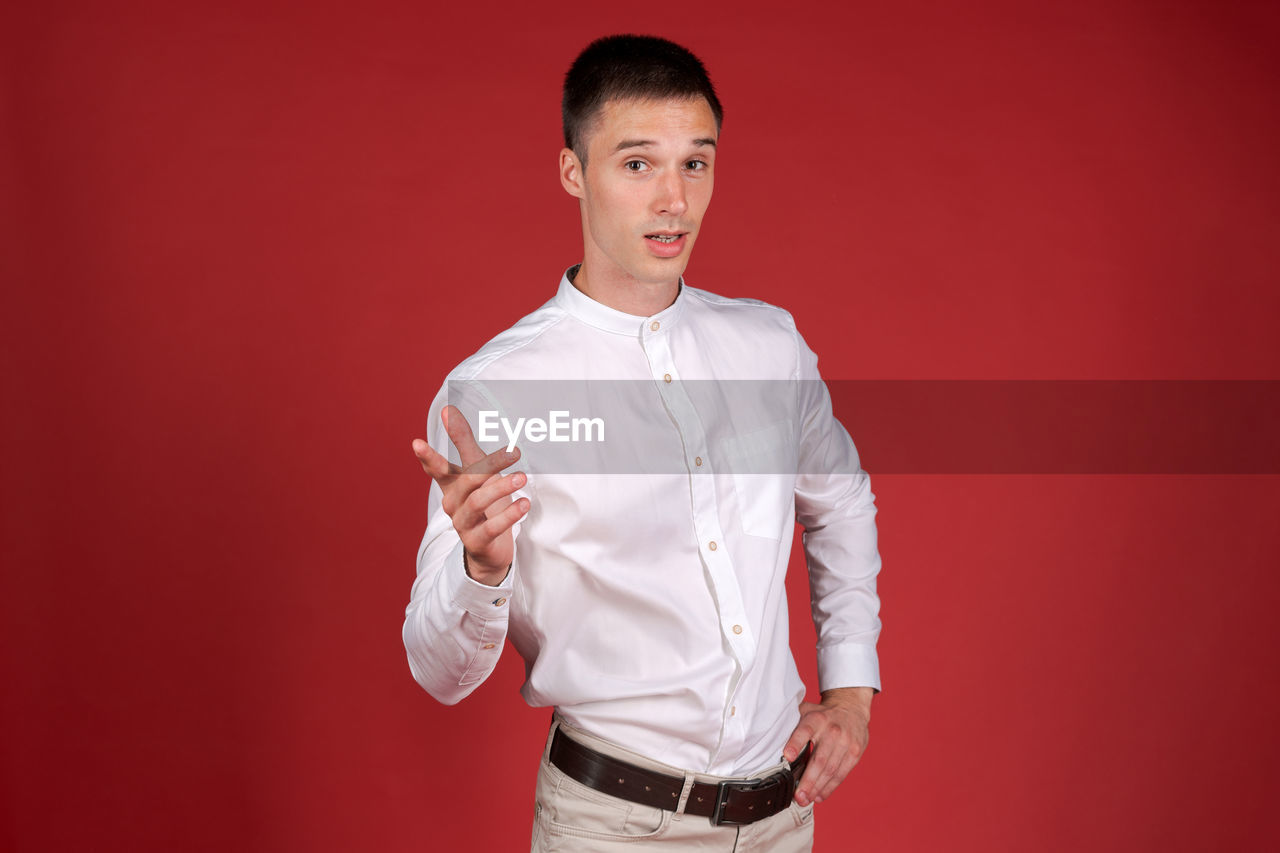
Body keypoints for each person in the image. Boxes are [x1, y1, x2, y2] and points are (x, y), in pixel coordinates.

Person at [403, 34, 882, 851]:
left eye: (695, 163)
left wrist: (851, 690)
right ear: (572, 172)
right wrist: (482, 570)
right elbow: (437, 671)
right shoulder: (496, 392)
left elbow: (841, 499)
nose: (674, 199)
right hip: (611, 828)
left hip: (781, 820)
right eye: (637, 164)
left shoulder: (769, 346)